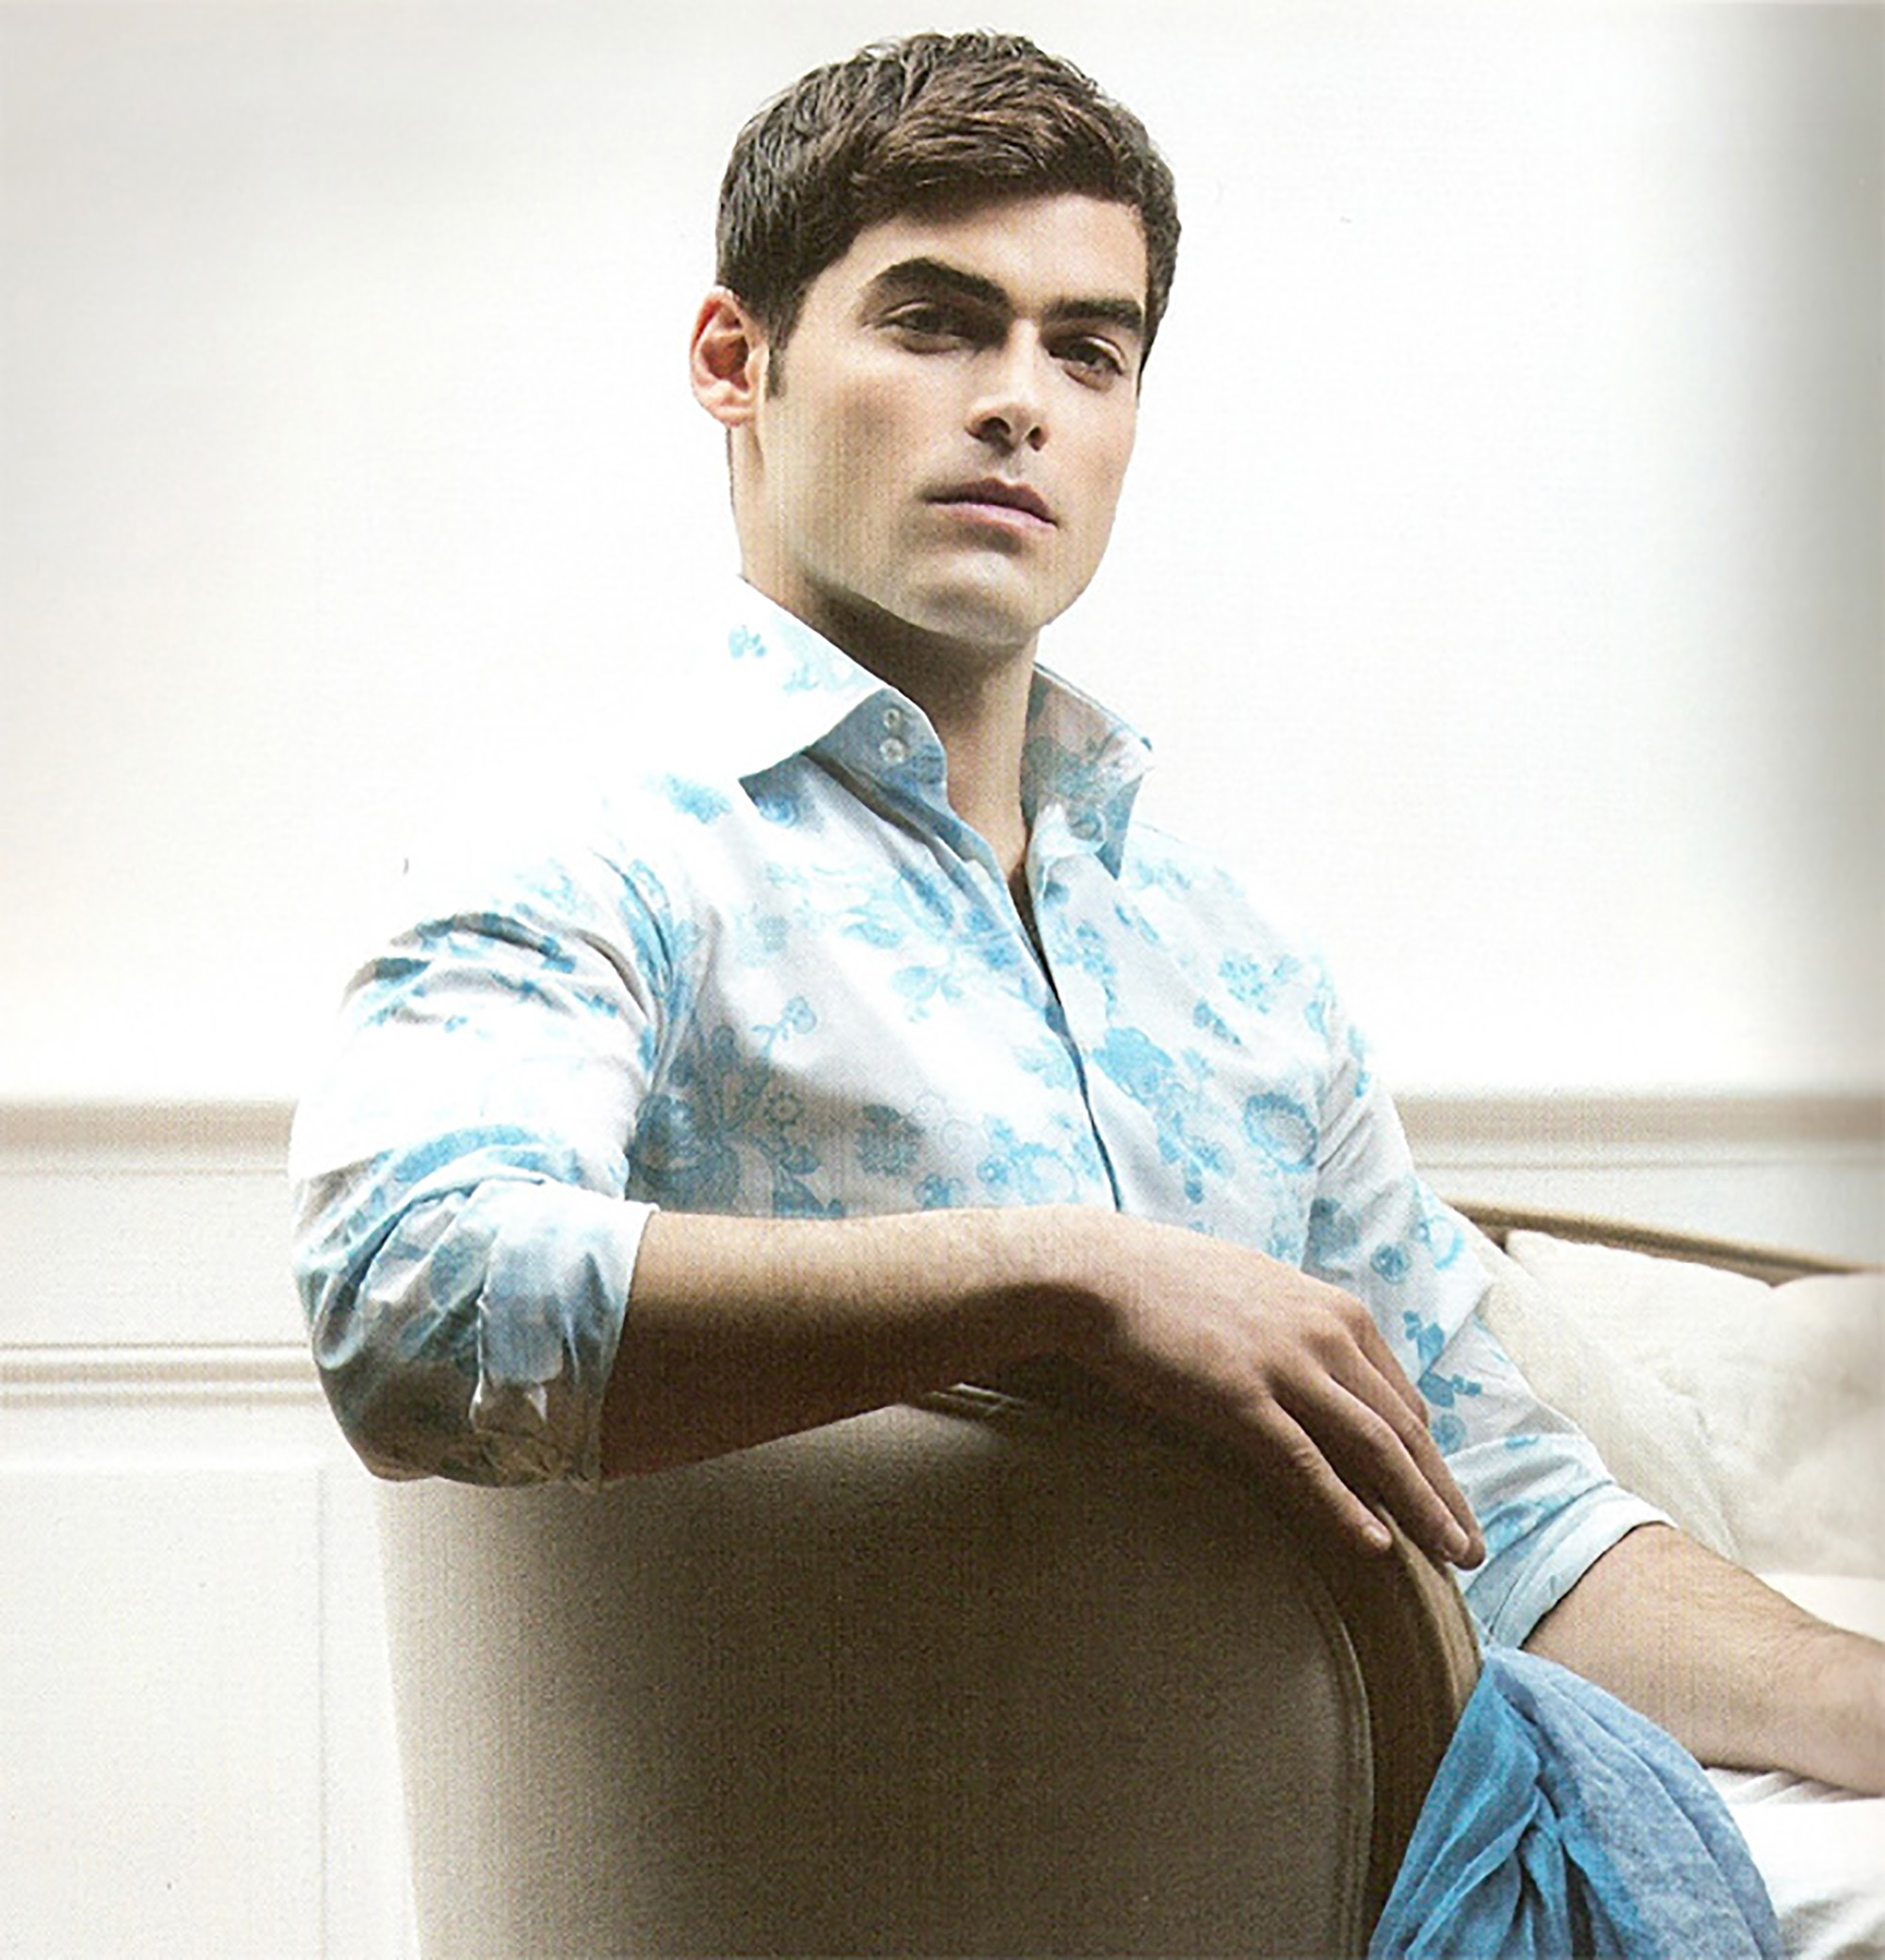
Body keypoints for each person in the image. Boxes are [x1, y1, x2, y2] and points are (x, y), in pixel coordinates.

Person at [291, 21, 1883, 1832]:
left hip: (1351, 1857)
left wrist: (1857, 1702)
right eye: (935, 322)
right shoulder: (599, 846)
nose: (1019, 401)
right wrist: (1071, 1279)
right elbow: (409, 1296)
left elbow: (1501, 1509)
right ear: (738, 361)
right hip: (886, 1861)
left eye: (1088, 349)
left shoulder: (1230, 955)